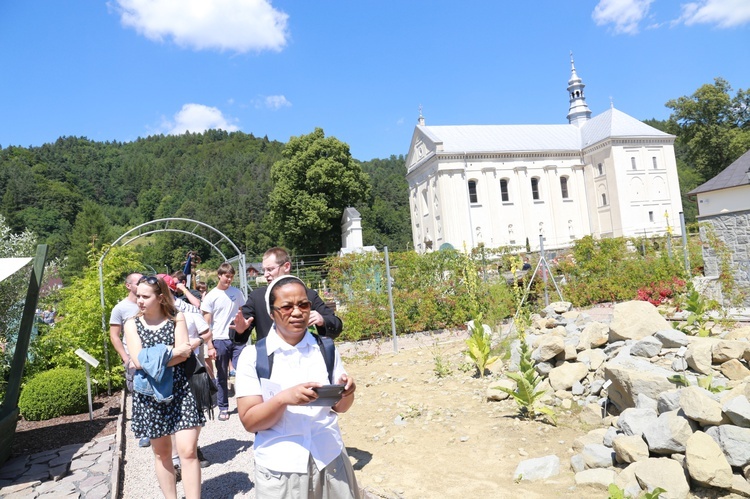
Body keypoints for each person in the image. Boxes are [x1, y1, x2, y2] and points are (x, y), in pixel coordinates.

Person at [235, 276, 359, 498]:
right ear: (272, 312)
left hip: (329, 457)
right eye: (286, 306)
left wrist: (347, 391)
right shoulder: (254, 357)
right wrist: (283, 399)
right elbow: (250, 420)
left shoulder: (326, 349)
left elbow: (341, 407)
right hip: (282, 468)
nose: (296, 312)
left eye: (303, 305)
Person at [124, 275, 205, 499]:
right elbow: (139, 361)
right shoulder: (131, 324)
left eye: (145, 296)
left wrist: (159, 356)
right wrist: (172, 351)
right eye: (137, 295)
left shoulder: (176, 317)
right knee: (162, 454)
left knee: (188, 451)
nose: (139, 300)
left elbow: (184, 354)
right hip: (151, 395)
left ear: (160, 297)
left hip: (181, 390)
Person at [233, 247, 342, 342]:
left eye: (270, 269)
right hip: (271, 361)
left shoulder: (308, 295)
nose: (266, 275)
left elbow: (336, 325)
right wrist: (240, 330)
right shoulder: (257, 297)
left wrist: (322, 320)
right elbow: (236, 331)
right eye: (264, 270)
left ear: (286, 266)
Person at [109, 272, 150, 448]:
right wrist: (126, 358)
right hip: (133, 361)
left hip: (152, 358)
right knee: (139, 395)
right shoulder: (120, 308)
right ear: (128, 286)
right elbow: (114, 336)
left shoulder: (150, 304)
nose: (142, 284)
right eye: (138, 282)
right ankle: (145, 431)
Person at [200, 262, 244, 422]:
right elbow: (206, 324)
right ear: (219, 275)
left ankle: (246, 404)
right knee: (222, 374)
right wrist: (209, 345)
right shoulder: (211, 296)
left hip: (237, 338)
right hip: (219, 339)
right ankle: (223, 407)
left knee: (243, 370)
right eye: (227, 276)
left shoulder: (237, 293)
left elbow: (242, 312)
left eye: (231, 277)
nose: (229, 280)